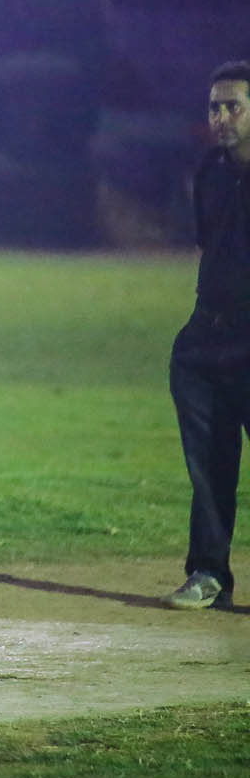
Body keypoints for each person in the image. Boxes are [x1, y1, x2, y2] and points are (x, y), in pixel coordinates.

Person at [165, 60, 250, 612]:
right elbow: (210, 247)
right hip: (206, 340)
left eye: (234, 106)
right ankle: (208, 573)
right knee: (211, 466)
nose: (221, 117)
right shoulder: (210, 173)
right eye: (215, 107)